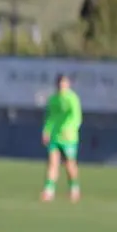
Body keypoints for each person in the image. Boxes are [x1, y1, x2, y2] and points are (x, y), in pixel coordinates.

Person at [40, 73, 83, 203]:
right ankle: (49, 191)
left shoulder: (72, 98)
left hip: (69, 137)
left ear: (68, 84)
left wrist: (70, 128)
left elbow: (76, 117)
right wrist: (46, 131)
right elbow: (50, 117)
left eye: (64, 83)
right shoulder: (53, 99)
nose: (62, 85)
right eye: (60, 83)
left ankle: (74, 189)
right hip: (55, 136)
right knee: (52, 163)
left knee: (69, 164)